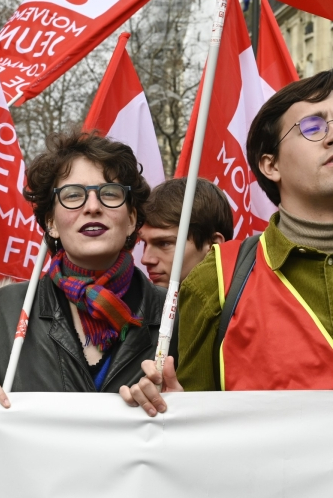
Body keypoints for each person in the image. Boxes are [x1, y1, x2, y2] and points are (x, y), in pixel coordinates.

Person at [121, 69, 333, 415]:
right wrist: (172, 407)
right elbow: (196, 432)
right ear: (270, 164)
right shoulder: (219, 278)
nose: (331, 136)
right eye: (313, 126)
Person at [0, 130, 173, 407]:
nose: (92, 207)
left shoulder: (175, 317)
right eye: (73, 195)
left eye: (109, 193)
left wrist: (181, 406)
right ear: (50, 222)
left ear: (132, 219)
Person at [139, 177, 233, 287]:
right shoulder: (138, 301)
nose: (145, 259)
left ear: (214, 245)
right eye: (144, 243)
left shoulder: (245, 303)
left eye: (164, 243)